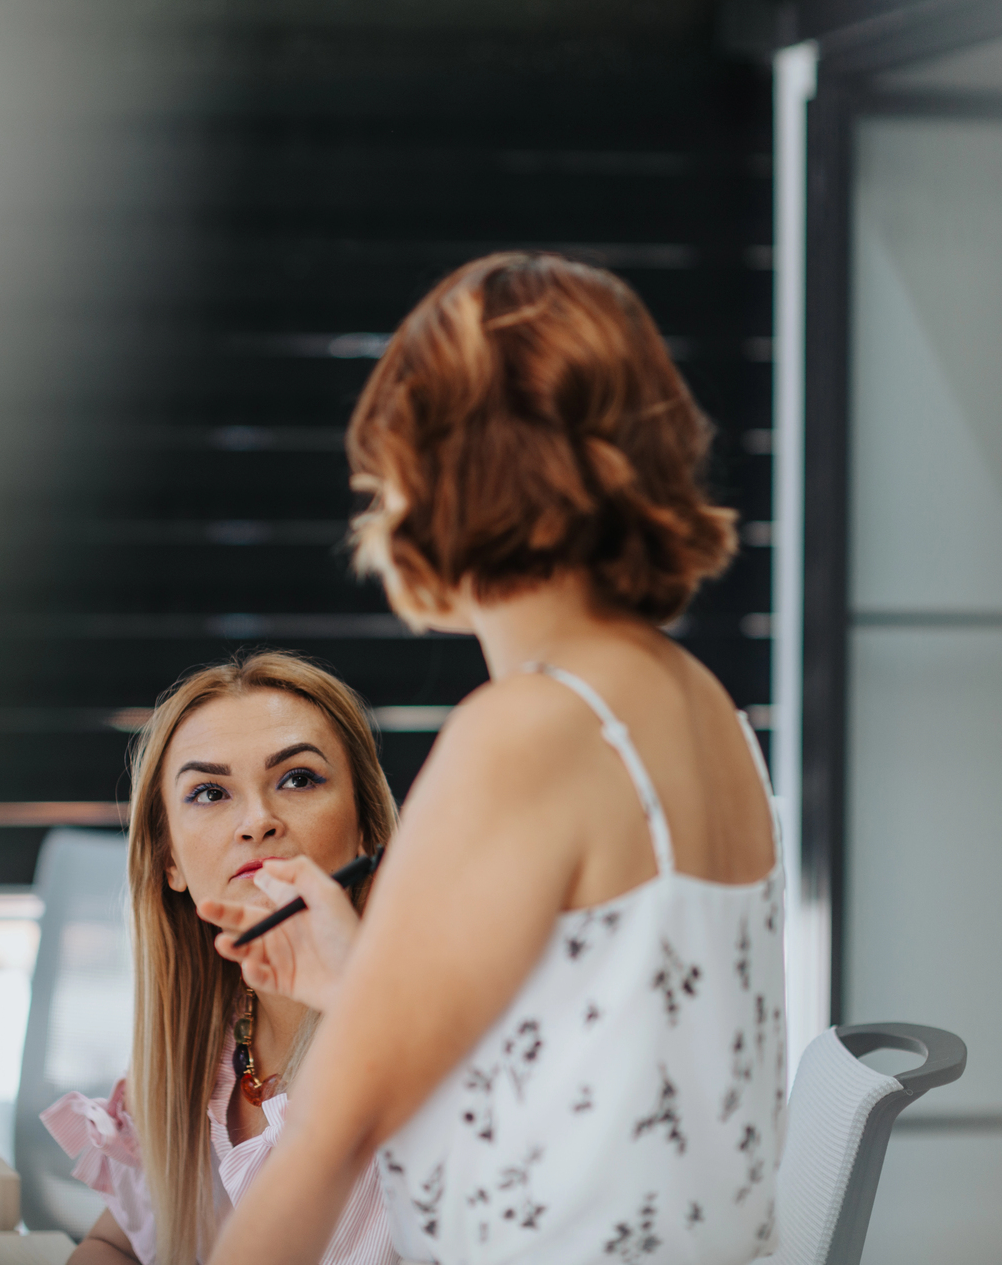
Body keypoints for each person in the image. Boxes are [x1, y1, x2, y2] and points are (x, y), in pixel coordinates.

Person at [206, 253, 787, 1265]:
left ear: (438, 475)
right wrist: (360, 978)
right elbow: (585, 1072)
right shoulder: (707, 711)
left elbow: (326, 1137)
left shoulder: (526, 726)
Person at [40, 652, 402, 1265]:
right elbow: (115, 1243)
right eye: (209, 792)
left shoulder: (432, 1038)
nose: (258, 821)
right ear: (170, 860)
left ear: (366, 828)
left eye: (298, 779)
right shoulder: (198, 1056)